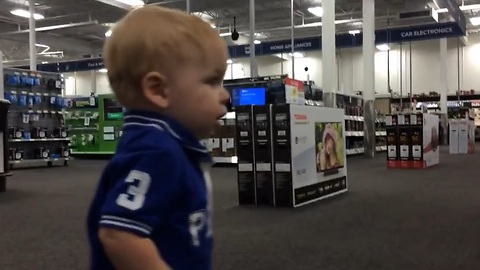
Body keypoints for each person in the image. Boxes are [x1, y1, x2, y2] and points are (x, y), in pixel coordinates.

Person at [86, 6, 230, 270]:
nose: (225, 96)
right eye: (212, 82)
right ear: (158, 90)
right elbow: (120, 234)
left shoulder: (164, 146)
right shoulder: (157, 152)